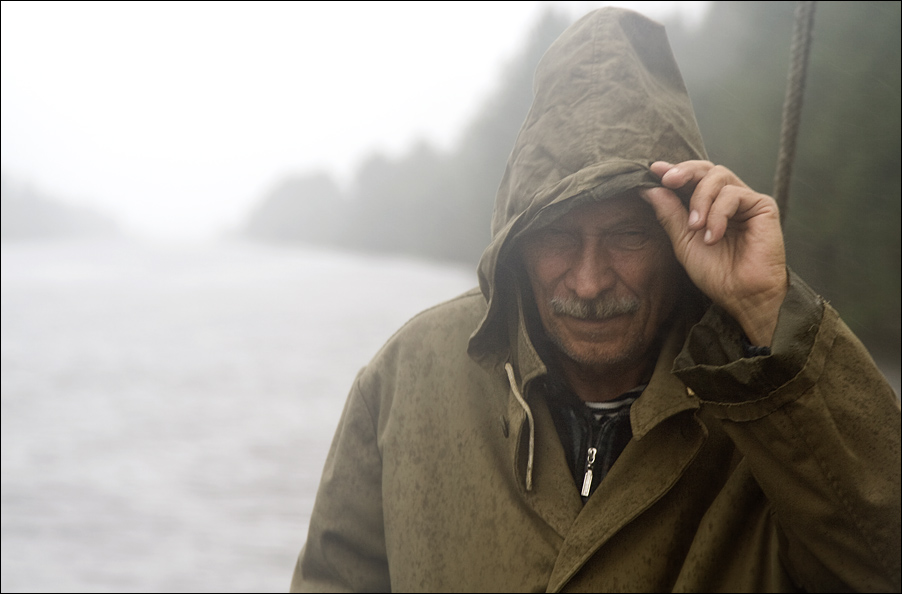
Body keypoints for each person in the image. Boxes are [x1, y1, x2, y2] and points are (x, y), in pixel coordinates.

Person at [290, 7, 901, 592]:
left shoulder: (771, 401)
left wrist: (770, 312)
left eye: (628, 235)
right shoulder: (406, 379)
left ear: (677, 237)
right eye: (556, 236)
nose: (588, 281)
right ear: (516, 244)